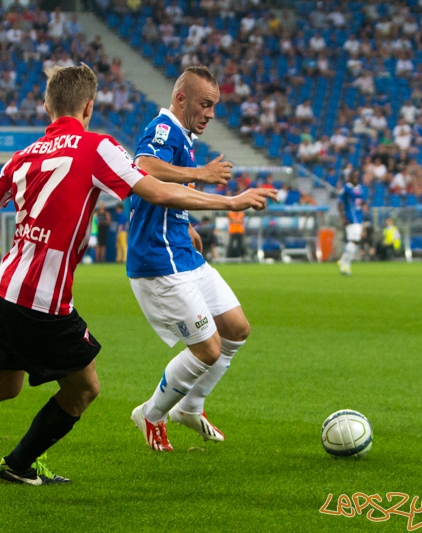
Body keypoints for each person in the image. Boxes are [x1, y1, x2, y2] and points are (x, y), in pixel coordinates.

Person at [0, 64, 275, 484]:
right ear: (88, 108)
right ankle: (19, 464)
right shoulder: (97, 147)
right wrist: (231, 202)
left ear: (47, 108)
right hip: (43, 302)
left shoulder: (23, 157)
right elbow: (154, 189)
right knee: (84, 389)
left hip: (3, 290)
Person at [126, 65, 277, 451]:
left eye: (214, 106)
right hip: (159, 260)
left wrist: (185, 222)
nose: (211, 113)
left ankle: (190, 407)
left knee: (236, 329)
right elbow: (144, 168)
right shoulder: (164, 128)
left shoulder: (184, 135)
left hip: (182, 250)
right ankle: (151, 414)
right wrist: (206, 178)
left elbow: (168, 191)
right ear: (181, 99)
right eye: (205, 104)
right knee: (207, 348)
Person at [337, 172, 364, 276]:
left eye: (357, 176)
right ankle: (344, 262)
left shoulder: (360, 188)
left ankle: (345, 263)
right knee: (354, 240)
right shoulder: (346, 188)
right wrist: (342, 216)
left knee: (355, 241)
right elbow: (340, 202)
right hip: (350, 217)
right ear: (349, 178)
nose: (356, 178)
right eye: (354, 176)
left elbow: (360, 201)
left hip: (359, 217)